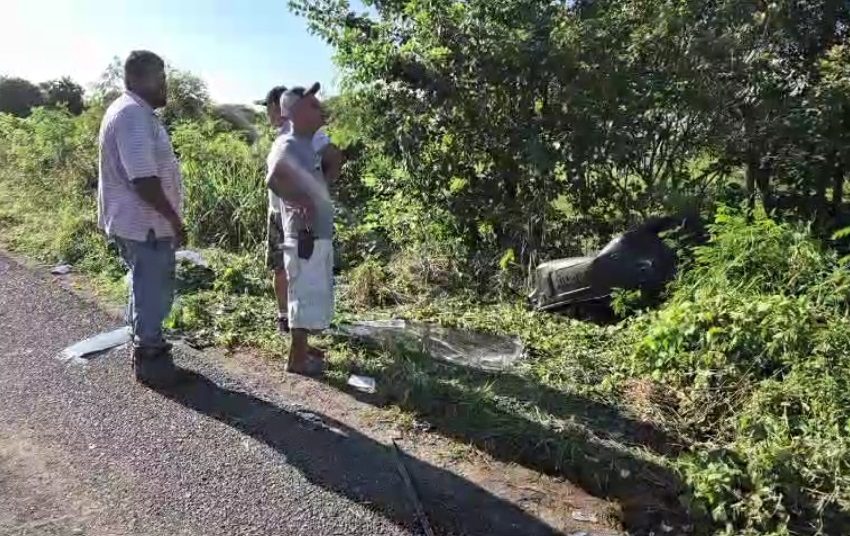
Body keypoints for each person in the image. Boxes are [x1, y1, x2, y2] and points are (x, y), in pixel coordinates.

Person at [97, 50, 184, 385]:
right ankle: (151, 360)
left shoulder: (134, 111)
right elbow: (144, 180)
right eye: (159, 78)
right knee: (153, 290)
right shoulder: (132, 114)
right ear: (136, 79)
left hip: (139, 223)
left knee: (144, 283)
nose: (165, 85)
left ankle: (144, 347)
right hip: (145, 225)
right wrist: (174, 220)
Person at [259, 85, 342, 334]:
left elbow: (334, 157)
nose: (269, 115)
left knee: (299, 269)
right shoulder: (286, 137)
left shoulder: (307, 135)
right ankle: (287, 319)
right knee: (283, 267)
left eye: (269, 109)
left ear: (279, 108)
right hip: (279, 211)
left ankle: (299, 327)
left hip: (295, 217)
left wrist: (313, 192)